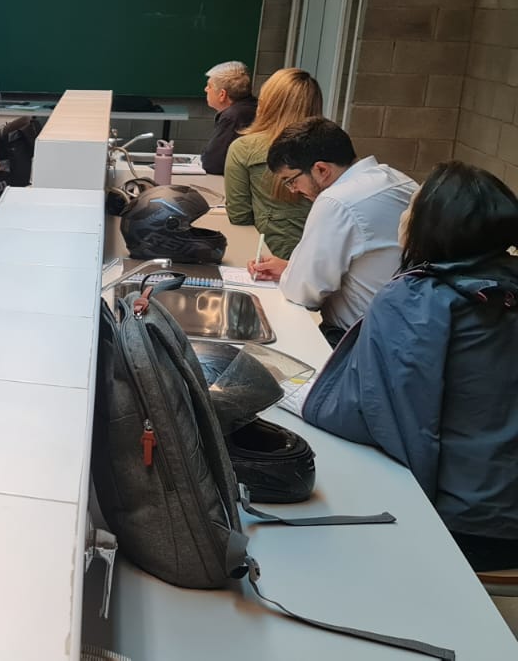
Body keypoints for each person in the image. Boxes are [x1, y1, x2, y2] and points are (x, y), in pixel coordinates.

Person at [302, 160, 518, 571]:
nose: (402, 217)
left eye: (411, 208)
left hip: (462, 527)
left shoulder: (417, 300)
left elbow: (380, 421)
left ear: (431, 226)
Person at [248, 117, 418, 344]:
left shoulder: (337, 201)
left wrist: (294, 275)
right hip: (405, 332)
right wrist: (291, 269)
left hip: (358, 340)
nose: (294, 190)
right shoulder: (398, 180)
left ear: (321, 169)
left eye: (290, 180)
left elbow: (304, 292)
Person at [222, 68, 321, 259]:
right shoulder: (333, 147)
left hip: (269, 259)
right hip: (327, 262)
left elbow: (239, 216)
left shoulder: (244, 148)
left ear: (267, 104)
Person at [200, 60, 259, 175]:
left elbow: (213, 163)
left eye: (209, 86)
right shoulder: (254, 106)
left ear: (222, 94)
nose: (206, 89)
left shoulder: (233, 117)